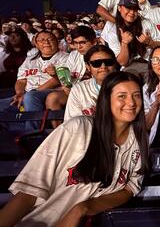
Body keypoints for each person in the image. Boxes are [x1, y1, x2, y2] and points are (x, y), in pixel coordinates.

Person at [0, 71, 149, 226]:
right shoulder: (78, 128)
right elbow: (30, 190)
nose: (131, 102)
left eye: (136, 95)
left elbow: (129, 189)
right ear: (107, 99)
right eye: (122, 96)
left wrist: (83, 208)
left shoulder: (138, 141)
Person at [9, 31, 68, 121]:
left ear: (57, 42)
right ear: (36, 44)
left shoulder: (66, 57)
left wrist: (31, 92)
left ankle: (33, 133)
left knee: (30, 97)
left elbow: (57, 80)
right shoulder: (29, 60)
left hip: (51, 91)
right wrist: (19, 93)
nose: (46, 42)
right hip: (27, 93)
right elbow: (21, 80)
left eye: (50, 39)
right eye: (41, 40)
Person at [101, 0, 160, 79]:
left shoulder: (146, 23)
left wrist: (150, 42)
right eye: (128, 8)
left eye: (135, 9)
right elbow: (122, 62)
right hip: (129, 66)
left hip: (151, 62)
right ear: (119, 8)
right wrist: (124, 43)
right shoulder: (112, 29)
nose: (132, 12)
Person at [64, 45, 118, 121]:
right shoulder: (79, 89)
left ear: (115, 64)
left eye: (108, 62)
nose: (103, 66)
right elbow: (73, 123)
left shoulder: (127, 85)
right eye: (96, 63)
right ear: (88, 67)